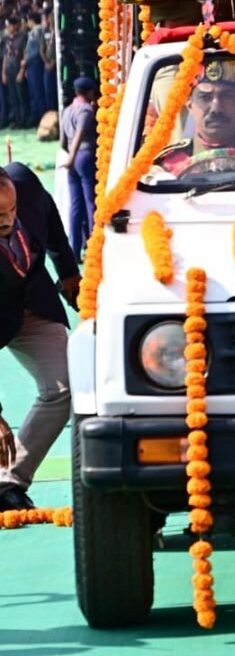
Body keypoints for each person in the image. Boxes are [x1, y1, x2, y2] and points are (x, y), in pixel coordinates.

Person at [0, 163, 81, 511]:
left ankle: (9, 482)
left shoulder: (24, 182)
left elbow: (49, 218)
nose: (8, 220)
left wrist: (68, 273)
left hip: (33, 303)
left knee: (65, 386)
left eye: (12, 209)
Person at [60, 76, 97, 258]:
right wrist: (74, 156)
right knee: (90, 203)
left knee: (76, 205)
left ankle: (74, 249)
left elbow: (63, 141)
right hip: (83, 156)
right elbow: (80, 133)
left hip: (71, 158)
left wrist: (69, 158)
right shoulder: (86, 110)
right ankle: (93, 245)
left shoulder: (67, 111)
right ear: (89, 92)